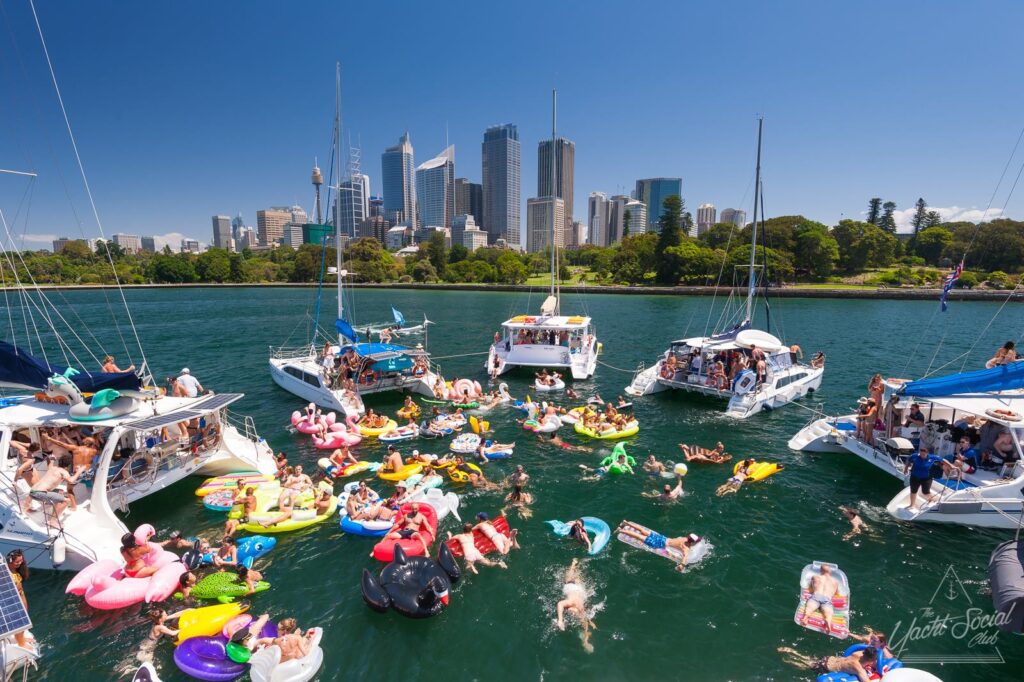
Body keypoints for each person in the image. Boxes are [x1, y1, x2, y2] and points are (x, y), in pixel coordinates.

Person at [615, 522, 702, 572]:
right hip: (660, 544)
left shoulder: (684, 538)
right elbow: (685, 558)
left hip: (662, 538)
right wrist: (682, 566)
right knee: (639, 537)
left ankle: (625, 523)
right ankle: (621, 530)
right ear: (693, 542)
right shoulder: (686, 548)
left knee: (642, 531)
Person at [556, 558, 595, 653]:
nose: (571, 613)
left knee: (577, 574)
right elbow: (560, 604)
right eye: (573, 613)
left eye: (572, 613)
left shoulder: (579, 609)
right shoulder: (572, 603)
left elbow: (584, 623)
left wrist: (586, 641)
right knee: (572, 571)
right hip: (573, 584)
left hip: (575, 587)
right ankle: (573, 563)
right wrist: (560, 620)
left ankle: (576, 564)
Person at [31, 455, 82, 523]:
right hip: (39, 494)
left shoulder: (53, 468)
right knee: (66, 501)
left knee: (60, 492)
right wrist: (78, 472)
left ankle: (52, 510)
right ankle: (53, 521)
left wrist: (52, 458)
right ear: (69, 465)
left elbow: (50, 462)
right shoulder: (64, 472)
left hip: (32, 492)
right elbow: (71, 481)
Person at [778, 646, 876, 682]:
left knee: (809, 660)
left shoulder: (858, 653)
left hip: (829, 659)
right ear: (871, 660)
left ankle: (792, 651)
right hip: (825, 667)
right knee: (804, 665)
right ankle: (789, 660)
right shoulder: (858, 667)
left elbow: (868, 648)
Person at [799, 563, 840, 635]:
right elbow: (836, 594)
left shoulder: (815, 577)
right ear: (829, 571)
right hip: (827, 599)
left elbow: (810, 589)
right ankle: (828, 623)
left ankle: (806, 618)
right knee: (828, 614)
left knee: (809, 609)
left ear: (821, 570)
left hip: (816, 596)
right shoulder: (835, 582)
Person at [6, 551, 32, 649]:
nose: (19, 563)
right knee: (18, 621)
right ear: (10, 560)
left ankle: (22, 638)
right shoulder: (6, 572)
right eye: (17, 562)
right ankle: (21, 643)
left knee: (24, 619)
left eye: (21, 561)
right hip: (14, 600)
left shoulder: (17, 570)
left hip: (22, 597)